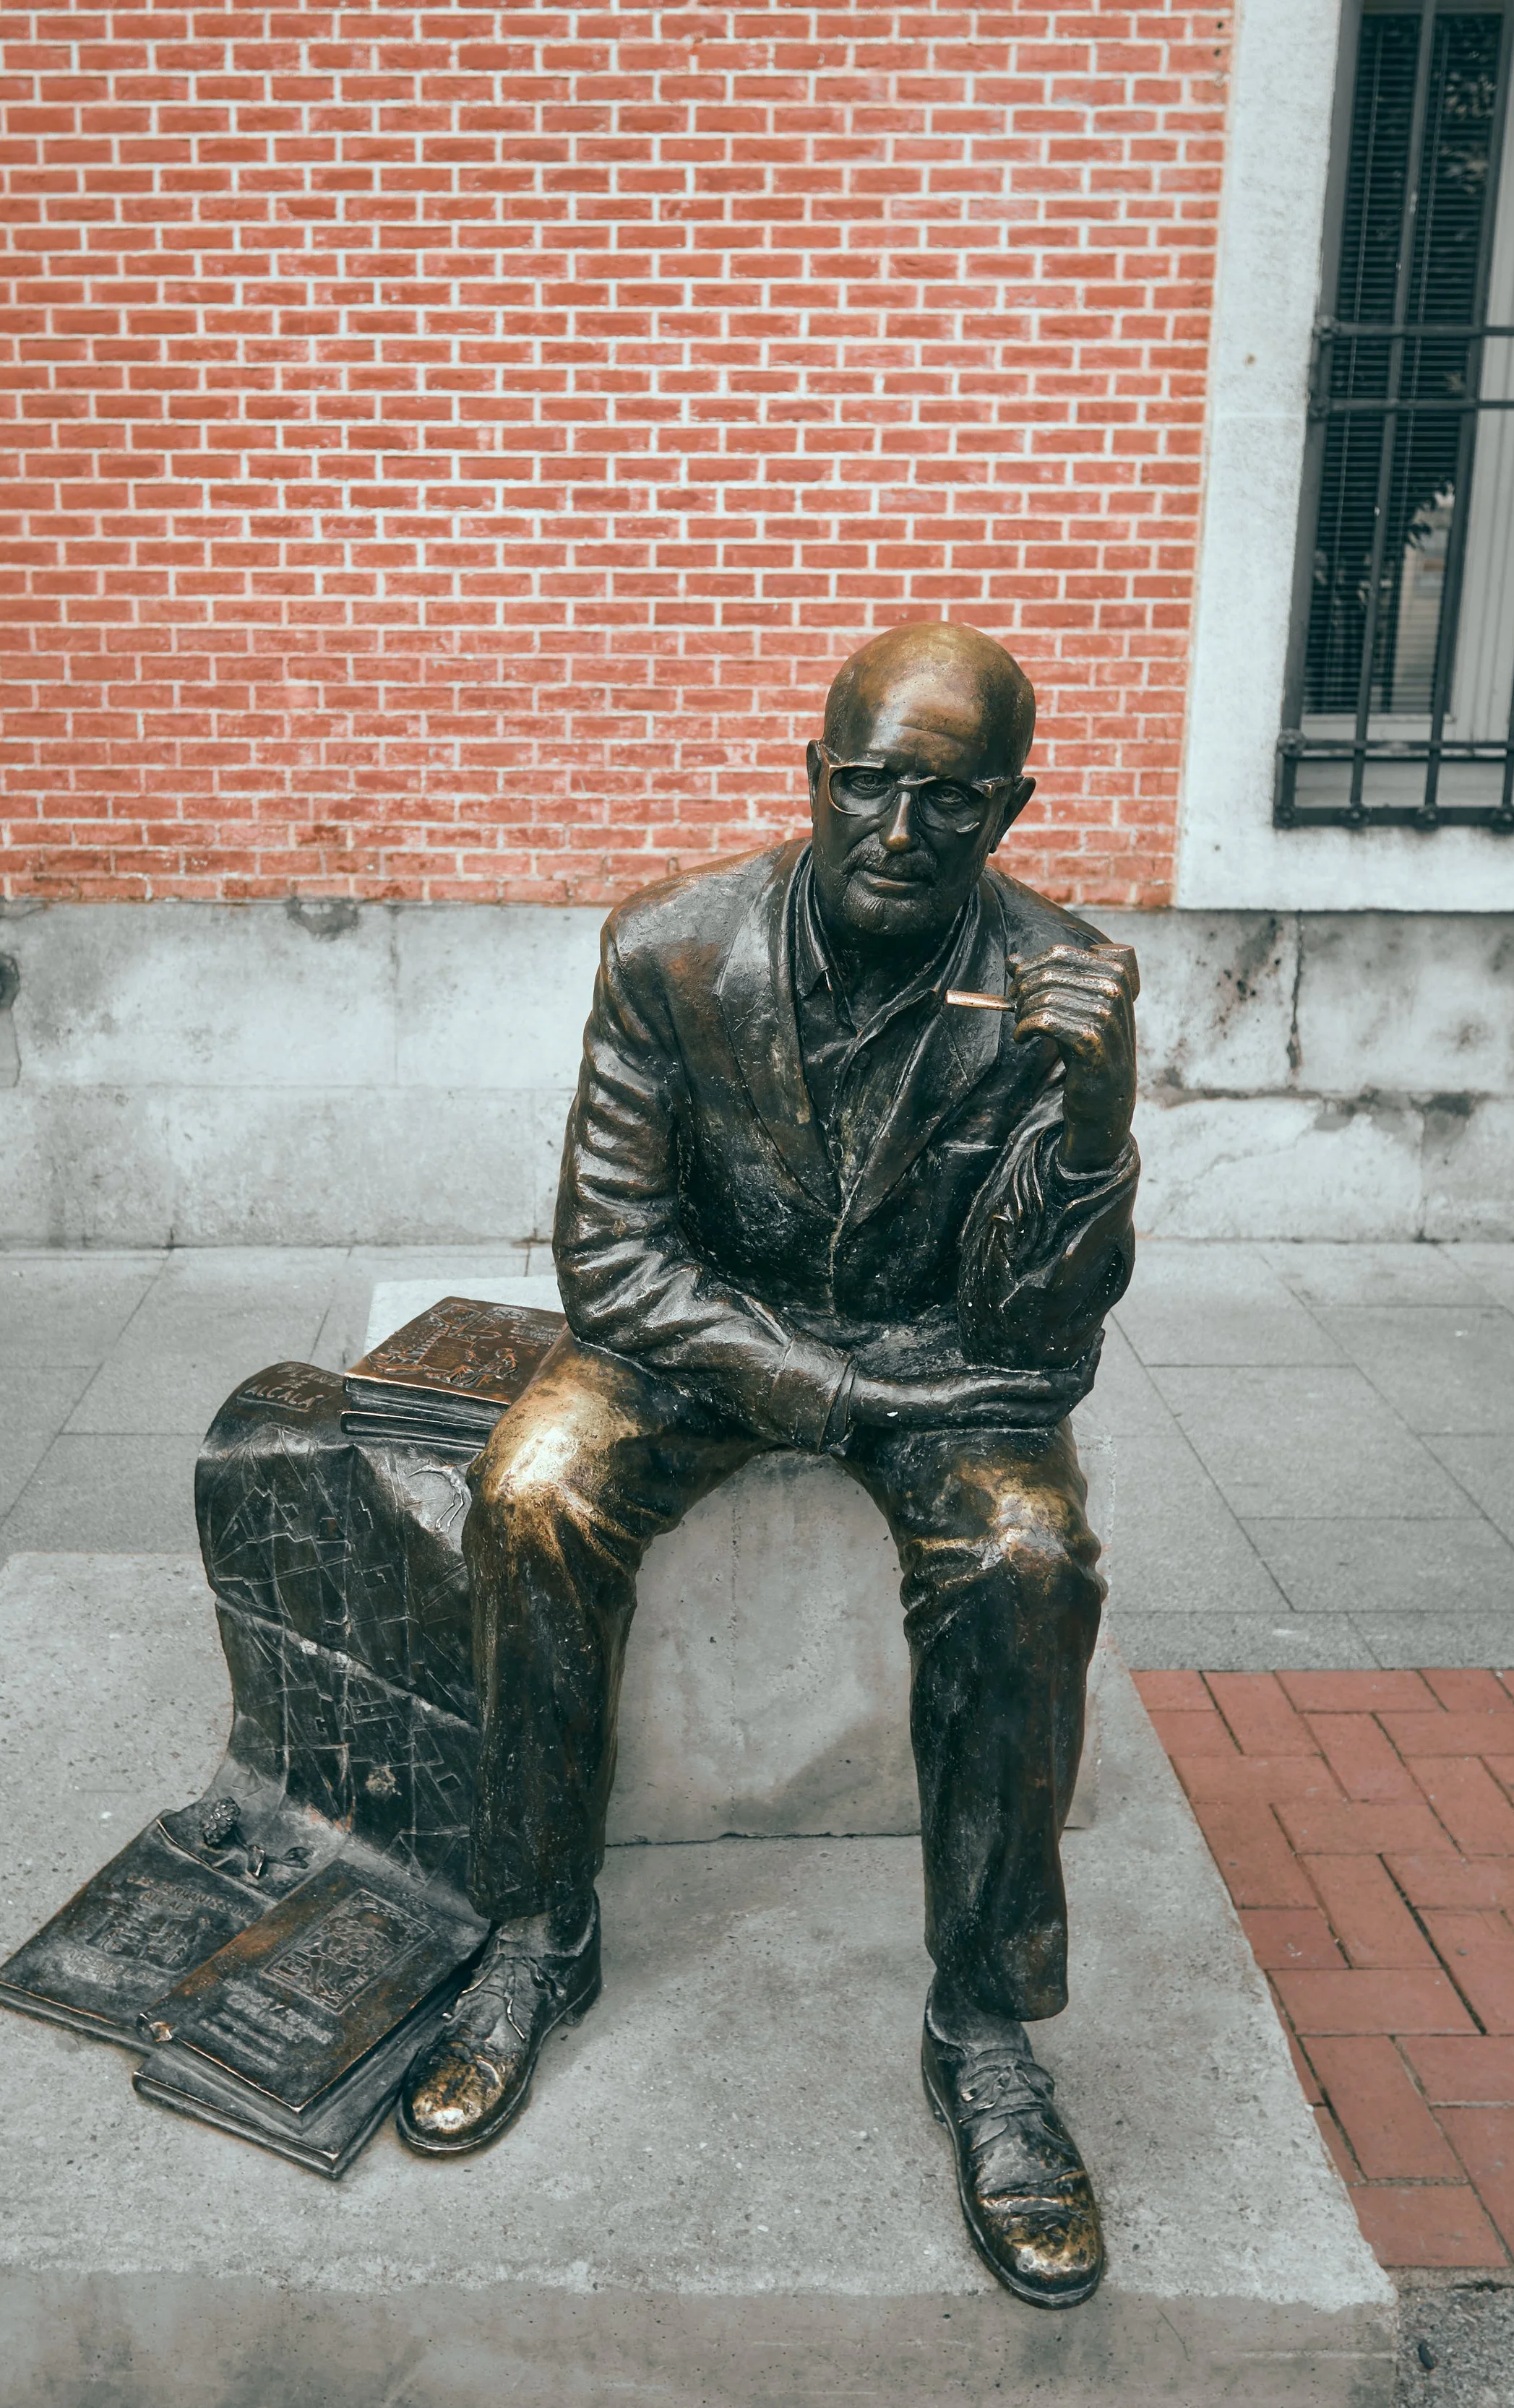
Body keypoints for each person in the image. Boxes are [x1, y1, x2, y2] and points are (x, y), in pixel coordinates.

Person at [395, 621, 1140, 2310]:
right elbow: (608, 1253)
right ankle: (533, 1931)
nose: (898, 830)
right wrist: (820, 1389)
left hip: (949, 1367)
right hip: (700, 1340)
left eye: (946, 801)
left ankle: (985, 2026)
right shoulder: (668, 949)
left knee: (1028, 1556)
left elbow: (1041, 1333)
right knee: (531, 1482)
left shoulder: (1061, 979)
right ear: (812, 776)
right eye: (867, 784)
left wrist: (1091, 1124)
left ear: (1007, 809)